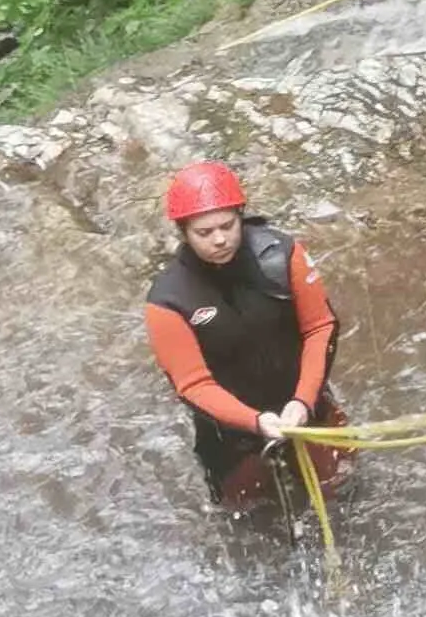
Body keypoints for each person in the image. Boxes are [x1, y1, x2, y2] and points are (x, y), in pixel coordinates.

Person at [142, 160, 347, 508]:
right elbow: (193, 384)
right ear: (184, 233)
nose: (220, 239)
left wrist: (302, 401)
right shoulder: (168, 301)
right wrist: (254, 421)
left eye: (227, 226)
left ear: (241, 216)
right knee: (247, 514)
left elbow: (319, 326)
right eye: (204, 233)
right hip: (229, 431)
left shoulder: (283, 255)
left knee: (341, 486)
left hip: (303, 403)